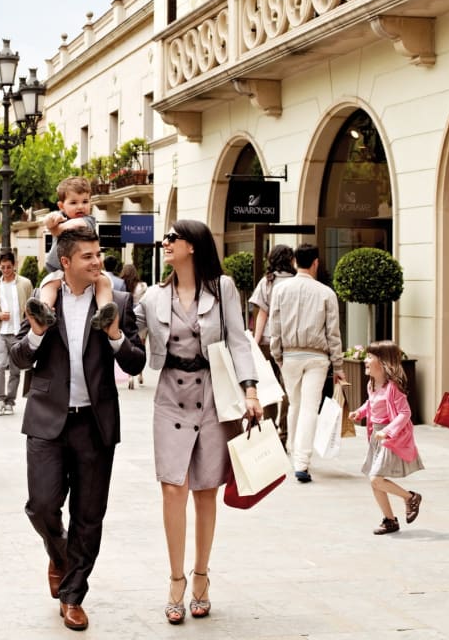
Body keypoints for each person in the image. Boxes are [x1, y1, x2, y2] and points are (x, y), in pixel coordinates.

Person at [10, 227, 145, 632]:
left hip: (95, 423)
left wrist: (116, 335)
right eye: (87, 256)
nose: (97, 261)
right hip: (47, 420)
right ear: (65, 262)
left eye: (98, 253)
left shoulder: (117, 301)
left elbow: (137, 362)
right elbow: (18, 358)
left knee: (89, 515)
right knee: (42, 505)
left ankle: (73, 595)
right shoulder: (42, 301)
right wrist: (36, 332)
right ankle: (61, 556)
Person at [134, 220, 259, 624]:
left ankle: (201, 575)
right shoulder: (153, 296)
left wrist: (251, 391)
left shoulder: (221, 289)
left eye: (173, 238)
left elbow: (239, 340)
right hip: (170, 395)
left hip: (211, 395)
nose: (165, 244)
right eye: (166, 239)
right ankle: (175, 580)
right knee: (173, 488)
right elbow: (128, 329)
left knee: (205, 490)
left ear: (193, 246)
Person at [268, 242, 345, 483]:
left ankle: (293, 451)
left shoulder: (281, 290)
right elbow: (333, 333)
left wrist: (277, 355)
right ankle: (302, 461)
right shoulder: (326, 293)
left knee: (295, 405)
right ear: (316, 263)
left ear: (294, 262)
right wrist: (339, 366)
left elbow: (275, 326)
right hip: (317, 357)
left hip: (290, 355)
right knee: (310, 407)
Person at [348, 340, 424, 535]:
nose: (366, 361)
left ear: (383, 363)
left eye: (370, 357)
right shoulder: (372, 384)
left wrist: (388, 431)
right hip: (377, 437)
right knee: (375, 480)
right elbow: (371, 404)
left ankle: (410, 497)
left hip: (389, 438)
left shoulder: (394, 388)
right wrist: (360, 412)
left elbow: (404, 413)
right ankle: (390, 520)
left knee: (375, 479)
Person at [27, 176, 116, 332]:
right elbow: (47, 220)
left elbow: (73, 225)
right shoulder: (59, 217)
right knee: (49, 284)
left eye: (85, 201)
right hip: (57, 268)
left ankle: (104, 312)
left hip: (82, 269)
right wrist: (50, 220)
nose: (80, 207)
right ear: (62, 205)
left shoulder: (87, 220)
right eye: (74, 203)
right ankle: (45, 310)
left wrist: (55, 228)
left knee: (103, 282)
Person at [248, 244, 296, 444]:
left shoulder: (267, 281)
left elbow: (262, 315)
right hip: (290, 343)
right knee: (287, 390)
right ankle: (283, 433)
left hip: (267, 341)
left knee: (268, 388)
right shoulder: (297, 282)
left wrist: (255, 341)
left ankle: (270, 428)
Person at [0, 250, 33, 415]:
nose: (5, 270)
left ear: (15, 265)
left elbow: (33, 306)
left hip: (19, 333)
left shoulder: (25, 283)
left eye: (8, 267)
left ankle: (10, 401)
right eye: (2, 267)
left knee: (15, 370)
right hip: (0, 332)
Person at [120, 263, 147, 388]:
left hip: (127, 318)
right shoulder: (142, 286)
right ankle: (140, 373)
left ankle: (130, 377)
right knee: (140, 345)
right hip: (141, 318)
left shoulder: (122, 284)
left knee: (129, 345)